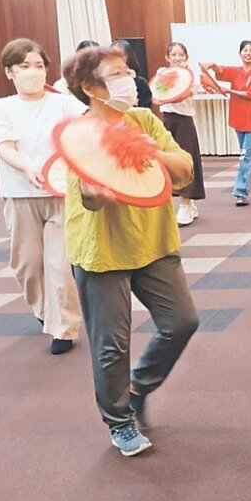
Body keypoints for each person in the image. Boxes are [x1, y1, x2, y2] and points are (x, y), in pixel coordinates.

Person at [61, 45, 198, 457]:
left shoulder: (141, 119)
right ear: (90, 87)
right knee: (111, 344)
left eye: (127, 72)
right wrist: (98, 189)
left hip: (153, 240)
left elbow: (185, 167)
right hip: (101, 248)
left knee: (181, 321)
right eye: (115, 74)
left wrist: (144, 149)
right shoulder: (79, 135)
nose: (128, 81)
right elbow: (89, 196)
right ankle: (119, 421)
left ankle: (138, 386)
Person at [0, 38, 85, 355]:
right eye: (24, 66)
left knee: (60, 264)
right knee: (27, 265)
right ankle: (44, 310)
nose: (33, 72)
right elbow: (4, 147)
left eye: (39, 66)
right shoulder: (0, 107)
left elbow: (87, 126)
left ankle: (64, 328)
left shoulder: (64, 103)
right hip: (19, 193)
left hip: (60, 194)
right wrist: (28, 168)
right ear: (9, 72)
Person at [201, 40, 251, 206]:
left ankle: (241, 192)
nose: (248, 53)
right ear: (240, 53)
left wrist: (228, 90)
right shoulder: (236, 71)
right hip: (239, 119)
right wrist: (211, 65)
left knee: (246, 156)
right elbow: (221, 71)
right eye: (245, 50)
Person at [157, 41, 206, 226]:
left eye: (181, 55)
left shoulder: (192, 77)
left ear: (186, 58)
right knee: (165, 161)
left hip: (184, 120)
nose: (177, 58)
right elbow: (157, 95)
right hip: (166, 119)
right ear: (167, 58)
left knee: (186, 160)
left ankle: (186, 203)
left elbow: (182, 95)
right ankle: (181, 203)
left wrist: (176, 82)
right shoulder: (162, 73)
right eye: (174, 55)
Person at [111, 39, 153, 108]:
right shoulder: (107, 82)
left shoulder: (140, 83)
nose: (116, 60)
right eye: (112, 56)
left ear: (128, 57)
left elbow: (145, 109)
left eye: (120, 56)